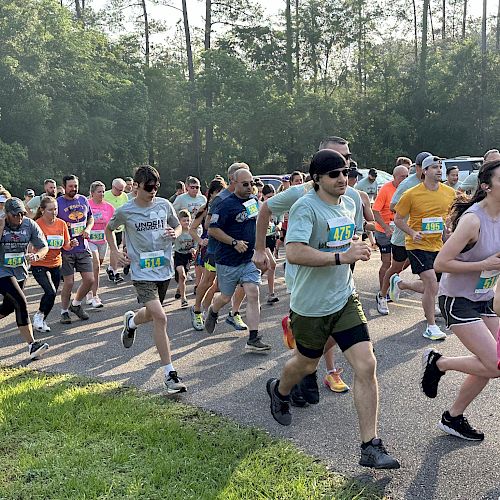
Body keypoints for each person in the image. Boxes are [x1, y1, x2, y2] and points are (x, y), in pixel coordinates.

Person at [265, 150, 399, 469]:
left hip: (344, 298)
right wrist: (341, 257)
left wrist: (357, 247)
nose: (343, 179)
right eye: (334, 174)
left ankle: (370, 446)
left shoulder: (350, 202)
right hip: (311, 305)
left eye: (346, 172)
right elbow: (294, 252)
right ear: (318, 178)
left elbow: (344, 241)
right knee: (306, 364)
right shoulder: (305, 208)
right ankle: (280, 390)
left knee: (366, 366)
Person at [421, 159, 500, 440]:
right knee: (494, 364)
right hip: (457, 299)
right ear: (486, 186)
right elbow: (441, 263)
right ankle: (439, 363)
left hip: (484, 296)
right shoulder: (472, 220)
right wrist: (485, 264)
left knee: (491, 362)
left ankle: (452, 418)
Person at [105, 164, 186, 394]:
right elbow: (109, 229)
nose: (153, 191)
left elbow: (177, 225)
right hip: (141, 273)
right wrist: (114, 251)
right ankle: (170, 375)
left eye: (157, 187)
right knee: (161, 317)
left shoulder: (164, 204)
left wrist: (176, 233)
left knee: (151, 315)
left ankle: (130, 322)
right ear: (137, 186)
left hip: (163, 269)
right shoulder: (126, 210)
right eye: (149, 187)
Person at [206, 168, 270, 352]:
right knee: (225, 296)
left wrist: (262, 249)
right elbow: (212, 229)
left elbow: (260, 224)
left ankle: (253, 338)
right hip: (227, 260)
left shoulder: (254, 202)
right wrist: (233, 242)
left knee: (253, 293)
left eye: (252, 183)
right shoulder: (224, 204)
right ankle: (213, 310)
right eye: (245, 184)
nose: (250, 187)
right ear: (234, 183)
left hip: (249, 259)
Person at [392, 155, 455, 340]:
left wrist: (447, 230)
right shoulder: (411, 194)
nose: (439, 170)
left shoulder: (449, 192)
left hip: (438, 245)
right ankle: (431, 326)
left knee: (434, 286)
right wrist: (412, 233)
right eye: (434, 167)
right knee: (431, 283)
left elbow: (446, 217)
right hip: (417, 245)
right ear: (424, 171)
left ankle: (401, 283)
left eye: (440, 167)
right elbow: (398, 219)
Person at [378, 152, 431, 311]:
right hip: (403, 236)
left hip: (425, 237)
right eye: (427, 167)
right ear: (418, 168)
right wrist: (415, 206)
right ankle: (382, 295)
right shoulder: (407, 184)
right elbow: (393, 206)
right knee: (395, 268)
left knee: (429, 274)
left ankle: (430, 310)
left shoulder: (434, 183)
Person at [0, 198, 49, 359]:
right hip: (2, 272)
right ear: (7, 214)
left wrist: (36, 255)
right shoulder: (1, 223)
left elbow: (44, 246)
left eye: (22, 214)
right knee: (21, 302)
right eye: (15, 215)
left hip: (20, 272)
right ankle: (32, 345)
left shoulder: (29, 224)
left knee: (8, 307)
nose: (19, 218)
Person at [205, 164, 249, 332]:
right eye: (244, 181)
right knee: (211, 284)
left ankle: (234, 312)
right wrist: (231, 232)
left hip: (243, 249)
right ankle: (200, 310)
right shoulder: (220, 199)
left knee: (248, 284)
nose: (248, 185)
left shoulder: (248, 198)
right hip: (220, 249)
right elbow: (209, 224)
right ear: (233, 179)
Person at [32, 196, 77, 331]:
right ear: (42, 210)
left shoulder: (61, 224)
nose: (54, 212)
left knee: (52, 294)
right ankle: (39, 317)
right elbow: (31, 243)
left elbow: (66, 246)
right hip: (39, 264)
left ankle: (41, 318)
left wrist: (72, 244)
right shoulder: (37, 224)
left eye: (56, 209)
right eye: (50, 209)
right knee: (50, 292)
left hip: (56, 264)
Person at [189, 179, 226, 330]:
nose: (221, 196)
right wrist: (200, 240)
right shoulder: (205, 209)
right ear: (211, 193)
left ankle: (207, 309)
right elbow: (192, 228)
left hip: (224, 248)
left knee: (218, 284)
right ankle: (197, 310)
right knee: (207, 281)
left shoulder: (226, 206)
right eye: (218, 192)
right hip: (209, 248)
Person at [57, 175, 95, 324]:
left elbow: (90, 217)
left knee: (90, 279)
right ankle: (64, 311)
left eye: (75, 186)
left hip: (82, 246)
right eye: (70, 186)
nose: (73, 189)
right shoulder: (58, 203)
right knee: (69, 282)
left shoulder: (83, 200)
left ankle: (76, 304)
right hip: (67, 249)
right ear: (64, 187)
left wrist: (88, 228)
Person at [372, 165, 409, 314]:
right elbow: (375, 210)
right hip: (384, 232)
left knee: (401, 263)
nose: (405, 180)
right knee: (387, 263)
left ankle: (392, 282)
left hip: (401, 232)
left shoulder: (409, 189)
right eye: (402, 177)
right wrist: (386, 228)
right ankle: (383, 293)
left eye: (407, 176)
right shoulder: (386, 189)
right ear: (394, 177)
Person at [87, 181, 115, 308]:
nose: (102, 194)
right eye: (99, 191)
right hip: (89, 240)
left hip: (103, 241)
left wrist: (114, 246)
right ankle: (94, 296)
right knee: (96, 266)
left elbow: (111, 227)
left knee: (95, 269)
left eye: (103, 191)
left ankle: (87, 288)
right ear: (92, 193)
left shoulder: (109, 207)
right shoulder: (86, 205)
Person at [104, 178, 129, 283]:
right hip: (108, 228)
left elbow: (127, 210)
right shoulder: (105, 195)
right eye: (119, 190)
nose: (121, 192)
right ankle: (113, 270)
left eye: (122, 190)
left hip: (120, 227)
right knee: (112, 249)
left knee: (116, 249)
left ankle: (112, 270)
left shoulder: (124, 196)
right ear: (113, 187)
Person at [173, 209, 195, 308]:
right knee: (182, 276)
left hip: (187, 257)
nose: (186, 222)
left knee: (182, 277)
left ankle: (179, 289)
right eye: (184, 220)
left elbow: (197, 243)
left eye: (188, 220)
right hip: (178, 255)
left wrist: (193, 249)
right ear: (179, 221)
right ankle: (183, 299)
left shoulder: (192, 231)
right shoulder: (178, 232)